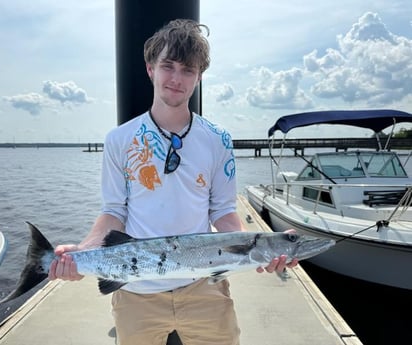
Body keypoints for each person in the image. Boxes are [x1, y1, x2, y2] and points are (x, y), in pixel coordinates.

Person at [49, 19, 298, 345]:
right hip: (134, 289)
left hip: (204, 286)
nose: (177, 79)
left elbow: (223, 211)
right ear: (150, 68)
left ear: (198, 77)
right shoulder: (120, 140)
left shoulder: (218, 139)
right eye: (168, 66)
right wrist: (84, 251)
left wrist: (262, 251)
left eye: (188, 70)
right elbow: (113, 210)